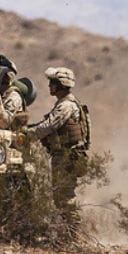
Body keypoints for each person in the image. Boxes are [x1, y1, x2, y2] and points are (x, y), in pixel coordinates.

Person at [26, 67, 90, 213]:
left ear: (61, 85)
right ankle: (67, 225)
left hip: (66, 157)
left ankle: (72, 227)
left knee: (64, 197)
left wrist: (27, 135)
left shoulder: (66, 105)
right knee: (60, 195)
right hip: (63, 155)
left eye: (53, 83)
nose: (49, 86)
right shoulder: (64, 103)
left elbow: (49, 126)